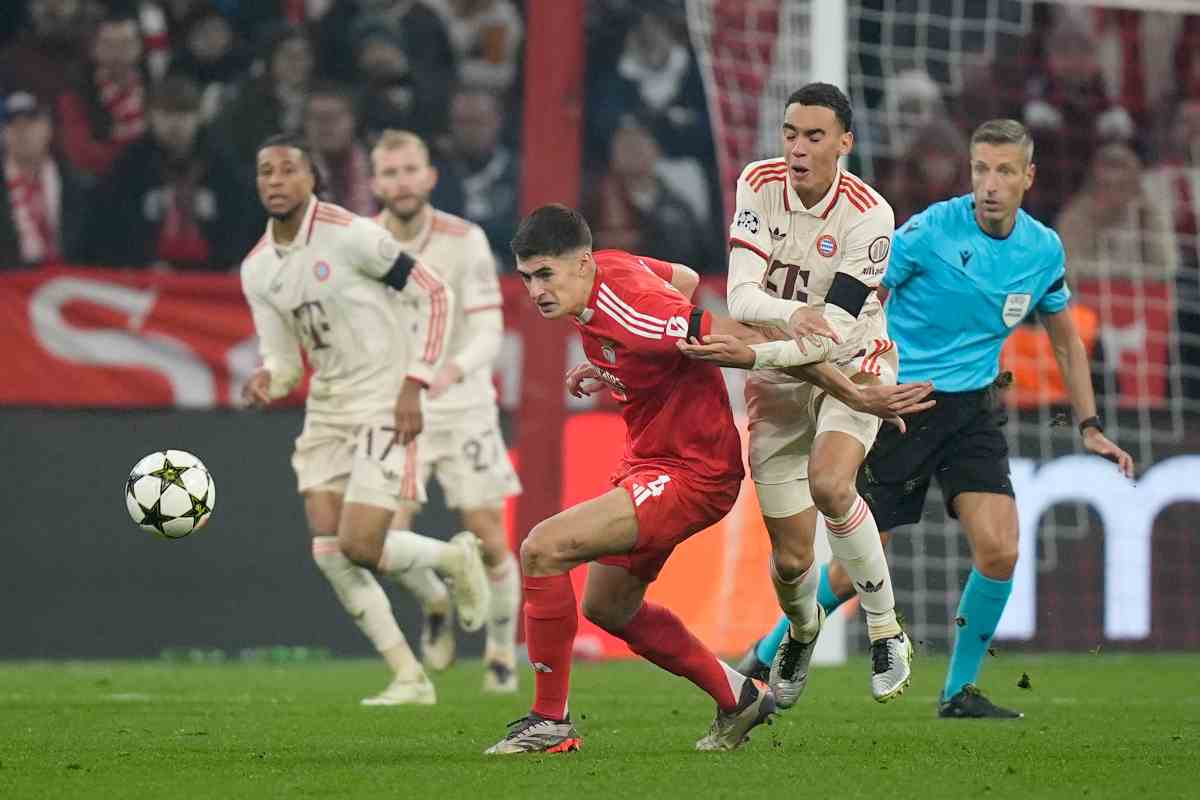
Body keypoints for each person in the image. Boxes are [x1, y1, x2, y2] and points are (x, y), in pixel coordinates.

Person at [484, 204, 933, 755]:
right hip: (651, 459)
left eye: (545, 275)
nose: (535, 290)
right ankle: (740, 697)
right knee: (608, 608)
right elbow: (687, 280)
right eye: (527, 277)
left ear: (580, 263)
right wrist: (612, 367)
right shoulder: (607, 271)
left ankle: (549, 720)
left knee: (541, 549)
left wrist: (852, 391)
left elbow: (741, 338)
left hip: (693, 471)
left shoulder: (635, 310)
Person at [732, 119, 1136, 719]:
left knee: (1000, 550)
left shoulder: (1043, 249)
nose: (989, 184)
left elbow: (1067, 342)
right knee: (852, 570)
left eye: (1003, 171)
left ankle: (958, 691)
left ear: (1029, 177)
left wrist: (1090, 424)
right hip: (903, 404)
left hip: (972, 409)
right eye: (980, 169)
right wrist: (853, 378)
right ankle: (767, 653)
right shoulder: (925, 233)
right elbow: (861, 297)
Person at [239, 133, 490, 707]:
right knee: (329, 548)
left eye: (287, 170)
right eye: (265, 172)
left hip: (384, 397)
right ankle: (410, 674)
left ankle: (452, 562)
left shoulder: (351, 235)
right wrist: (267, 381)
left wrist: (415, 381)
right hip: (327, 407)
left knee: (357, 542)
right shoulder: (258, 270)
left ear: (311, 178)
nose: (275, 181)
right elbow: (282, 361)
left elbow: (434, 292)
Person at [709, 82, 914, 711]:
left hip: (857, 362)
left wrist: (756, 349)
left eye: (815, 136)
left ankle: (885, 627)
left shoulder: (871, 214)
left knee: (831, 484)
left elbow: (842, 331)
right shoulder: (758, 183)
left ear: (844, 142)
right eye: (790, 133)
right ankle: (800, 632)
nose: (797, 148)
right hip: (778, 376)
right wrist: (791, 321)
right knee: (791, 560)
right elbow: (741, 298)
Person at [370, 129, 522, 693]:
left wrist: (450, 372)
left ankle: (502, 654)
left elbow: (489, 327)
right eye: (390, 173)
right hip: (396, 410)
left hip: (460, 405)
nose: (402, 182)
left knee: (486, 533)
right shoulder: (364, 244)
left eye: (410, 170)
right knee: (383, 535)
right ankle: (437, 598)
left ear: (430, 176)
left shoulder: (465, 240)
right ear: (374, 182)